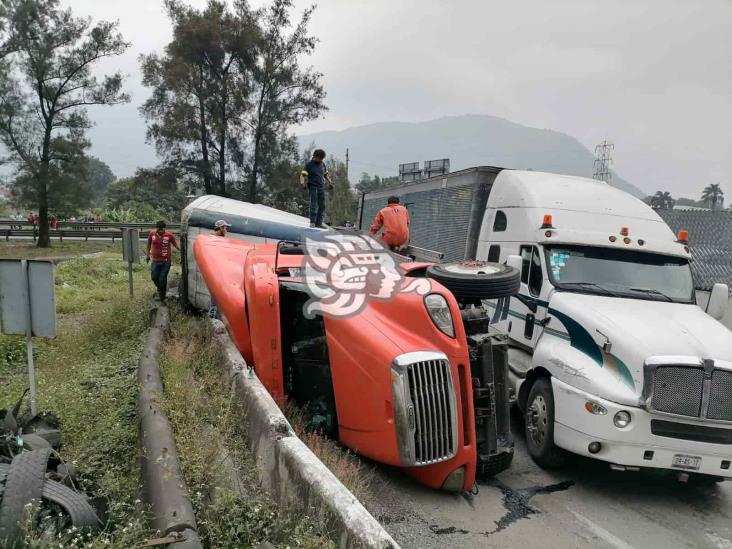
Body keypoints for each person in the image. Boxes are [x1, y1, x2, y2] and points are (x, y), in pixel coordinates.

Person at [146, 220, 180, 301]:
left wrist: (181, 250)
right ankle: (161, 290)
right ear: (156, 228)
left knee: (162, 278)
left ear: (165, 228)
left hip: (166, 261)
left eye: (162, 229)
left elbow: (176, 245)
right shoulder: (152, 234)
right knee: (154, 277)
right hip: (155, 261)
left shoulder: (169, 235)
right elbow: (148, 244)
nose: (160, 231)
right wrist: (147, 255)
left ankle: (162, 295)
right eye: (159, 229)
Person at [299, 149, 333, 228]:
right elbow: (302, 175)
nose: (320, 160)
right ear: (314, 156)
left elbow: (325, 175)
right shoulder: (309, 165)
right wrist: (302, 183)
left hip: (321, 187)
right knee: (313, 204)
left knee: (322, 205)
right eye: (319, 158)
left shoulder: (322, 164)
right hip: (313, 186)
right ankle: (312, 222)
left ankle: (319, 223)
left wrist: (330, 182)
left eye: (321, 159)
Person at [208, 219, 231, 317]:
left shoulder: (223, 240)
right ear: (221, 228)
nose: (226, 230)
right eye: (225, 227)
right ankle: (212, 317)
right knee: (214, 295)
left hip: (222, 273)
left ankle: (215, 316)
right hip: (215, 273)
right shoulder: (210, 239)